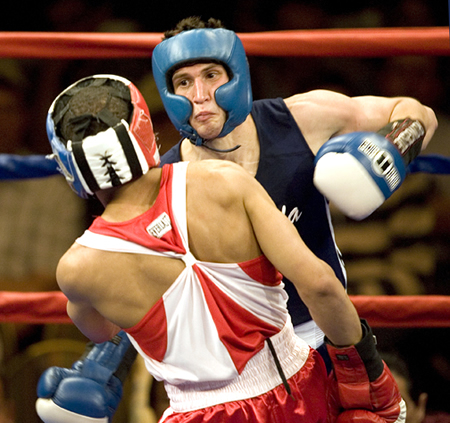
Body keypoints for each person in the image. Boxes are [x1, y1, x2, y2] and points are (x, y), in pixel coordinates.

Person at [36, 16, 438, 422]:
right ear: (166, 94)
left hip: (334, 339)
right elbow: (160, 299)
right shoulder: (163, 182)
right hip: (249, 371)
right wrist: (110, 363)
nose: (200, 95)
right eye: (183, 83)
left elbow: (416, 111)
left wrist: (392, 149)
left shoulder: (301, 119)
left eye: (211, 75)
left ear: (238, 74)